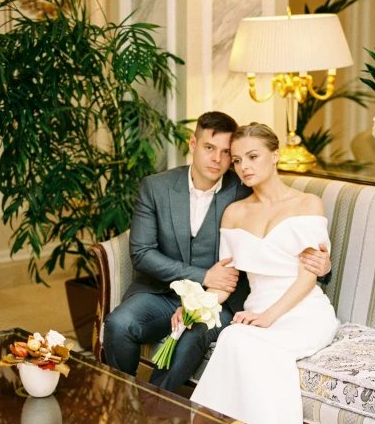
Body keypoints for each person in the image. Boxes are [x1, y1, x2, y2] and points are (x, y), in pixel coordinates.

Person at [103, 112, 331, 393]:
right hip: (160, 293)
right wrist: (204, 276)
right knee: (119, 323)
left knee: (196, 332)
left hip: (223, 301)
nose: (218, 160)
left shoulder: (242, 189)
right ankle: (120, 398)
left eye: (227, 154)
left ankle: (156, 403)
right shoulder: (157, 187)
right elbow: (141, 253)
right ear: (192, 143)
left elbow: (289, 250)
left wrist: (323, 266)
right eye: (210, 148)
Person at [190, 123, 339, 424]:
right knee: (236, 336)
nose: (243, 167)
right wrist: (195, 308)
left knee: (250, 340)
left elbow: (310, 273)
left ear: (276, 155)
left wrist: (271, 318)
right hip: (257, 313)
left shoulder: (308, 204)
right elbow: (227, 279)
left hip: (301, 311)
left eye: (252, 157)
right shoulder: (235, 212)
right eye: (237, 160)